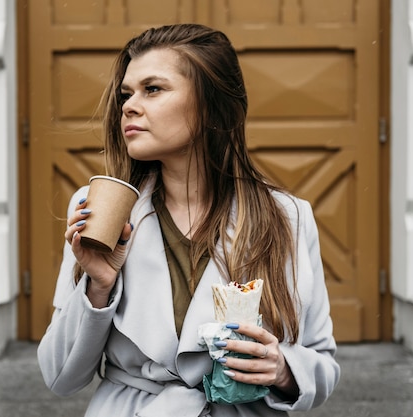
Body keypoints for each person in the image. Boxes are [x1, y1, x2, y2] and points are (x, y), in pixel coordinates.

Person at [37, 23, 340, 416]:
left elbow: (323, 364)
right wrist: (98, 287)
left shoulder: (287, 217)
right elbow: (60, 376)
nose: (127, 105)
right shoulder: (101, 209)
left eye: (153, 89)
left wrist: (283, 370)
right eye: (126, 93)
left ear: (210, 103)